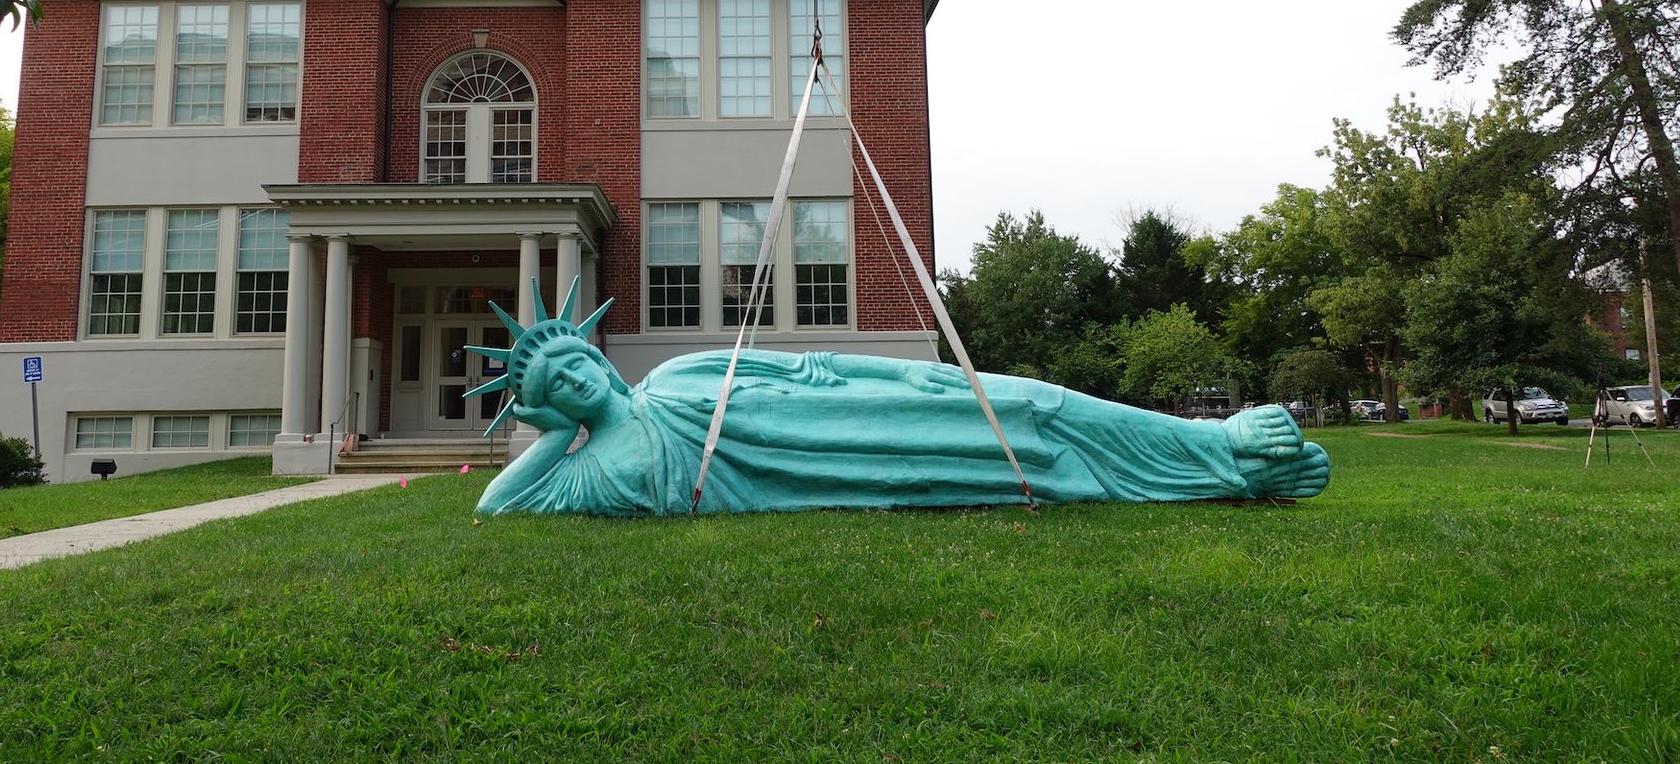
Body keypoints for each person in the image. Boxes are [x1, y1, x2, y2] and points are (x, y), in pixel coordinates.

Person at [468, 286, 1329, 517]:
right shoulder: (580, 472)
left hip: (865, 411)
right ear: (553, 410)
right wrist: (544, 429)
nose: (580, 382)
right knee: (1037, 466)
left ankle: (1213, 443)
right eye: (558, 388)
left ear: (603, 360)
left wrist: (908, 375)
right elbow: (497, 507)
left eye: (579, 363)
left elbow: (809, 369)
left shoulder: (677, 378)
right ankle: (1231, 478)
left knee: (1027, 401)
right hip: (856, 466)